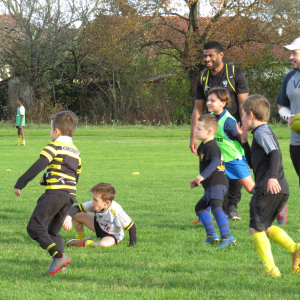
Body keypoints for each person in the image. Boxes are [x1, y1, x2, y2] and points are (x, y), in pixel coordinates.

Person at [237, 95, 300, 277]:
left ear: (250, 114)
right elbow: (253, 163)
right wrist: (243, 140)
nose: (241, 120)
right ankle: (295, 248)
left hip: (268, 187)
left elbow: (275, 154)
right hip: (279, 188)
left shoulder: (261, 132)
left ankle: (271, 270)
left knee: (255, 228)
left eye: (242, 115)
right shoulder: (260, 133)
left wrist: (272, 177)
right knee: (264, 227)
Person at [14, 110, 81, 276]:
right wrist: (47, 178)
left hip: (55, 194)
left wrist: (20, 183)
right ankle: (61, 269)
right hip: (69, 195)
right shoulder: (75, 152)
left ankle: (59, 257)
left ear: (56, 131)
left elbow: (39, 165)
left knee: (35, 227)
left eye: (50, 129)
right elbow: (73, 176)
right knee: (53, 232)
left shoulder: (55, 146)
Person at [190, 40, 249, 219]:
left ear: (221, 55)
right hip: (211, 133)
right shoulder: (203, 78)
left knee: (235, 168)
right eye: (205, 56)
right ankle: (220, 208)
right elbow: (198, 108)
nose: (207, 59)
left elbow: (243, 105)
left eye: (211, 56)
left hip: (232, 130)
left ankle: (232, 207)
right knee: (217, 169)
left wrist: (244, 132)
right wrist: (193, 135)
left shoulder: (234, 74)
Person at [190, 114, 236, 248]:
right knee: (200, 208)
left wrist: (202, 176)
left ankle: (227, 237)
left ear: (209, 131)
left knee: (216, 208)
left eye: (199, 129)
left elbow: (216, 161)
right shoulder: (204, 146)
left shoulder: (211, 146)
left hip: (217, 184)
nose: (195, 131)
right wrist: (198, 179)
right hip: (211, 186)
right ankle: (211, 235)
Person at [206, 87, 255, 213]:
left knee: (250, 187)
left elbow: (242, 140)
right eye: (208, 100)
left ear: (223, 103)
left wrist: (251, 158)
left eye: (212, 101)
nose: (208, 103)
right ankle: (219, 214)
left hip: (234, 160)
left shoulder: (228, 121)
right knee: (218, 188)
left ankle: (276, 203)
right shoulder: (210, 117)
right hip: (220, 162)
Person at [63, 182, 136, 248]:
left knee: (103, 244)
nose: (92, 201)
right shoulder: (94, 204)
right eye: (92, 198)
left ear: (106, 203)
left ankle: (86, 242)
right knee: (76, 214)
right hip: (99, 226)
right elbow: (76, 208)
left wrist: (132, 245)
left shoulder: (116, 210)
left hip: (112, 234)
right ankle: (80, 238)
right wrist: (68, 217)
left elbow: (131, 226)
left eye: (95, 199)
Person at [275, 37, 300, 226]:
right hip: (296, 141)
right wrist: (289, 117)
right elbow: (281, 105)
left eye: (294, 53)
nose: (291, 57)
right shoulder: (289, 77)